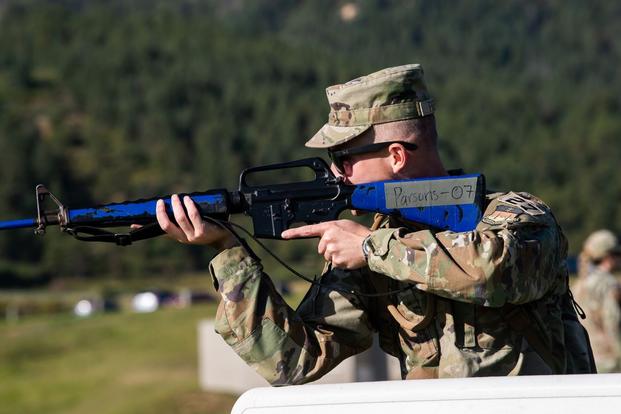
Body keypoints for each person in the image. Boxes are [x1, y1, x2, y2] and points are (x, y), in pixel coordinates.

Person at [156, 64, 595, 382]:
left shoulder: (516, 215)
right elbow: (294, 361)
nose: (335, 174)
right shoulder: (373, 244)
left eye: (343, 159)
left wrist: (370, 248)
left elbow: (492, 272)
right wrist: (227, 253)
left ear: (397, 156)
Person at [573, 230, 621, 372]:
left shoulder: (578, 285)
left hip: (585, 358)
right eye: (617, 254)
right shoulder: (608, 284)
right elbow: (612, 322)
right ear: (608, 256)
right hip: (609, 361)